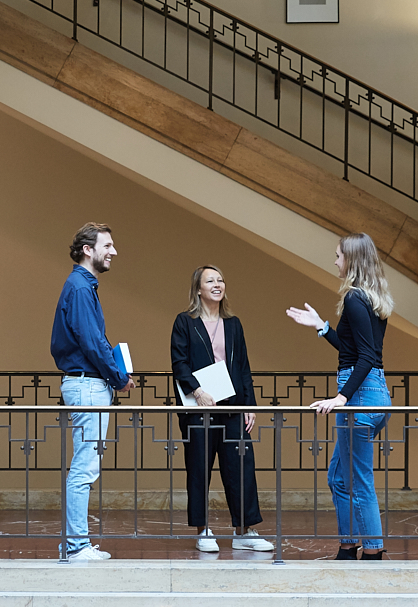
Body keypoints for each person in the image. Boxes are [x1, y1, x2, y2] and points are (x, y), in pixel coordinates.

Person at [285, 232, 394, 560]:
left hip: (361, 396)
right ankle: (348, 545)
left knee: (359, 480)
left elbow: (366, 358)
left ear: (352, 260)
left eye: (338, 256)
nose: (334, 261)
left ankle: (372, 550)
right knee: (338, 476)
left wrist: (342, 398)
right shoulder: (368, 299)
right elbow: (354, 351)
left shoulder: (354, 299)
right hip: (371, 391)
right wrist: (321, 326)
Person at [169, 265, 273, 553]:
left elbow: (243, 368)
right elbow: (179, 363)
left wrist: (249, 406)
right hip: (199, 409)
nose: (217, 284)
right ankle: (203, 530)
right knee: (199, 469)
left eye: (221, 279)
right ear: (198, 289)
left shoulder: (234, 323)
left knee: (241, 468)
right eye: (210, 280)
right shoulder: (184, 322)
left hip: (232, 408)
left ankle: (244, 531)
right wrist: (198, 391)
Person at [50, 222, 135, 561]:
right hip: (87, 384)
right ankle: (75, 547)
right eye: (107, 245)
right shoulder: (81, 287)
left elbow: (92, 341)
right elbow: (92, 341)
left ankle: (76, 544)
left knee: (84, 467)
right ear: (88, 249)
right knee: (84, 469)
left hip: (85, 383)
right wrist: (118, 377)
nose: (113, 251)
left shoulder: (80, 285)